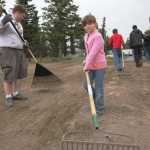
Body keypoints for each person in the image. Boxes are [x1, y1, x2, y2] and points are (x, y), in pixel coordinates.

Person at [0, 5, 28, 108]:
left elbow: (19, 37)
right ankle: (8, 96)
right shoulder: (5, 19)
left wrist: (24, 42)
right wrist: (2, 22)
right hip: (7, 50)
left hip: (19, 50)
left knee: (19, 72)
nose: (23, 18)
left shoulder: (19, 25)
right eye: (22, 15)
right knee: (9, 72)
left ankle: (15, 93)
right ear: (17, 12)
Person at [82, 14, 107, 116]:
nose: (88, 26)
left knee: (99, 87)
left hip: (100, 66)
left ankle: (100, 109)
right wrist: (85, 60)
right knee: (85, 85)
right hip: (91, 65)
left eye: (90, 23)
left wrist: (87, 64)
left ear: (95, 24)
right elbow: (88, 52)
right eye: (86, 24)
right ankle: (97, 99)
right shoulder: (86, 36)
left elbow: (94, 53)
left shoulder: (98, 36)